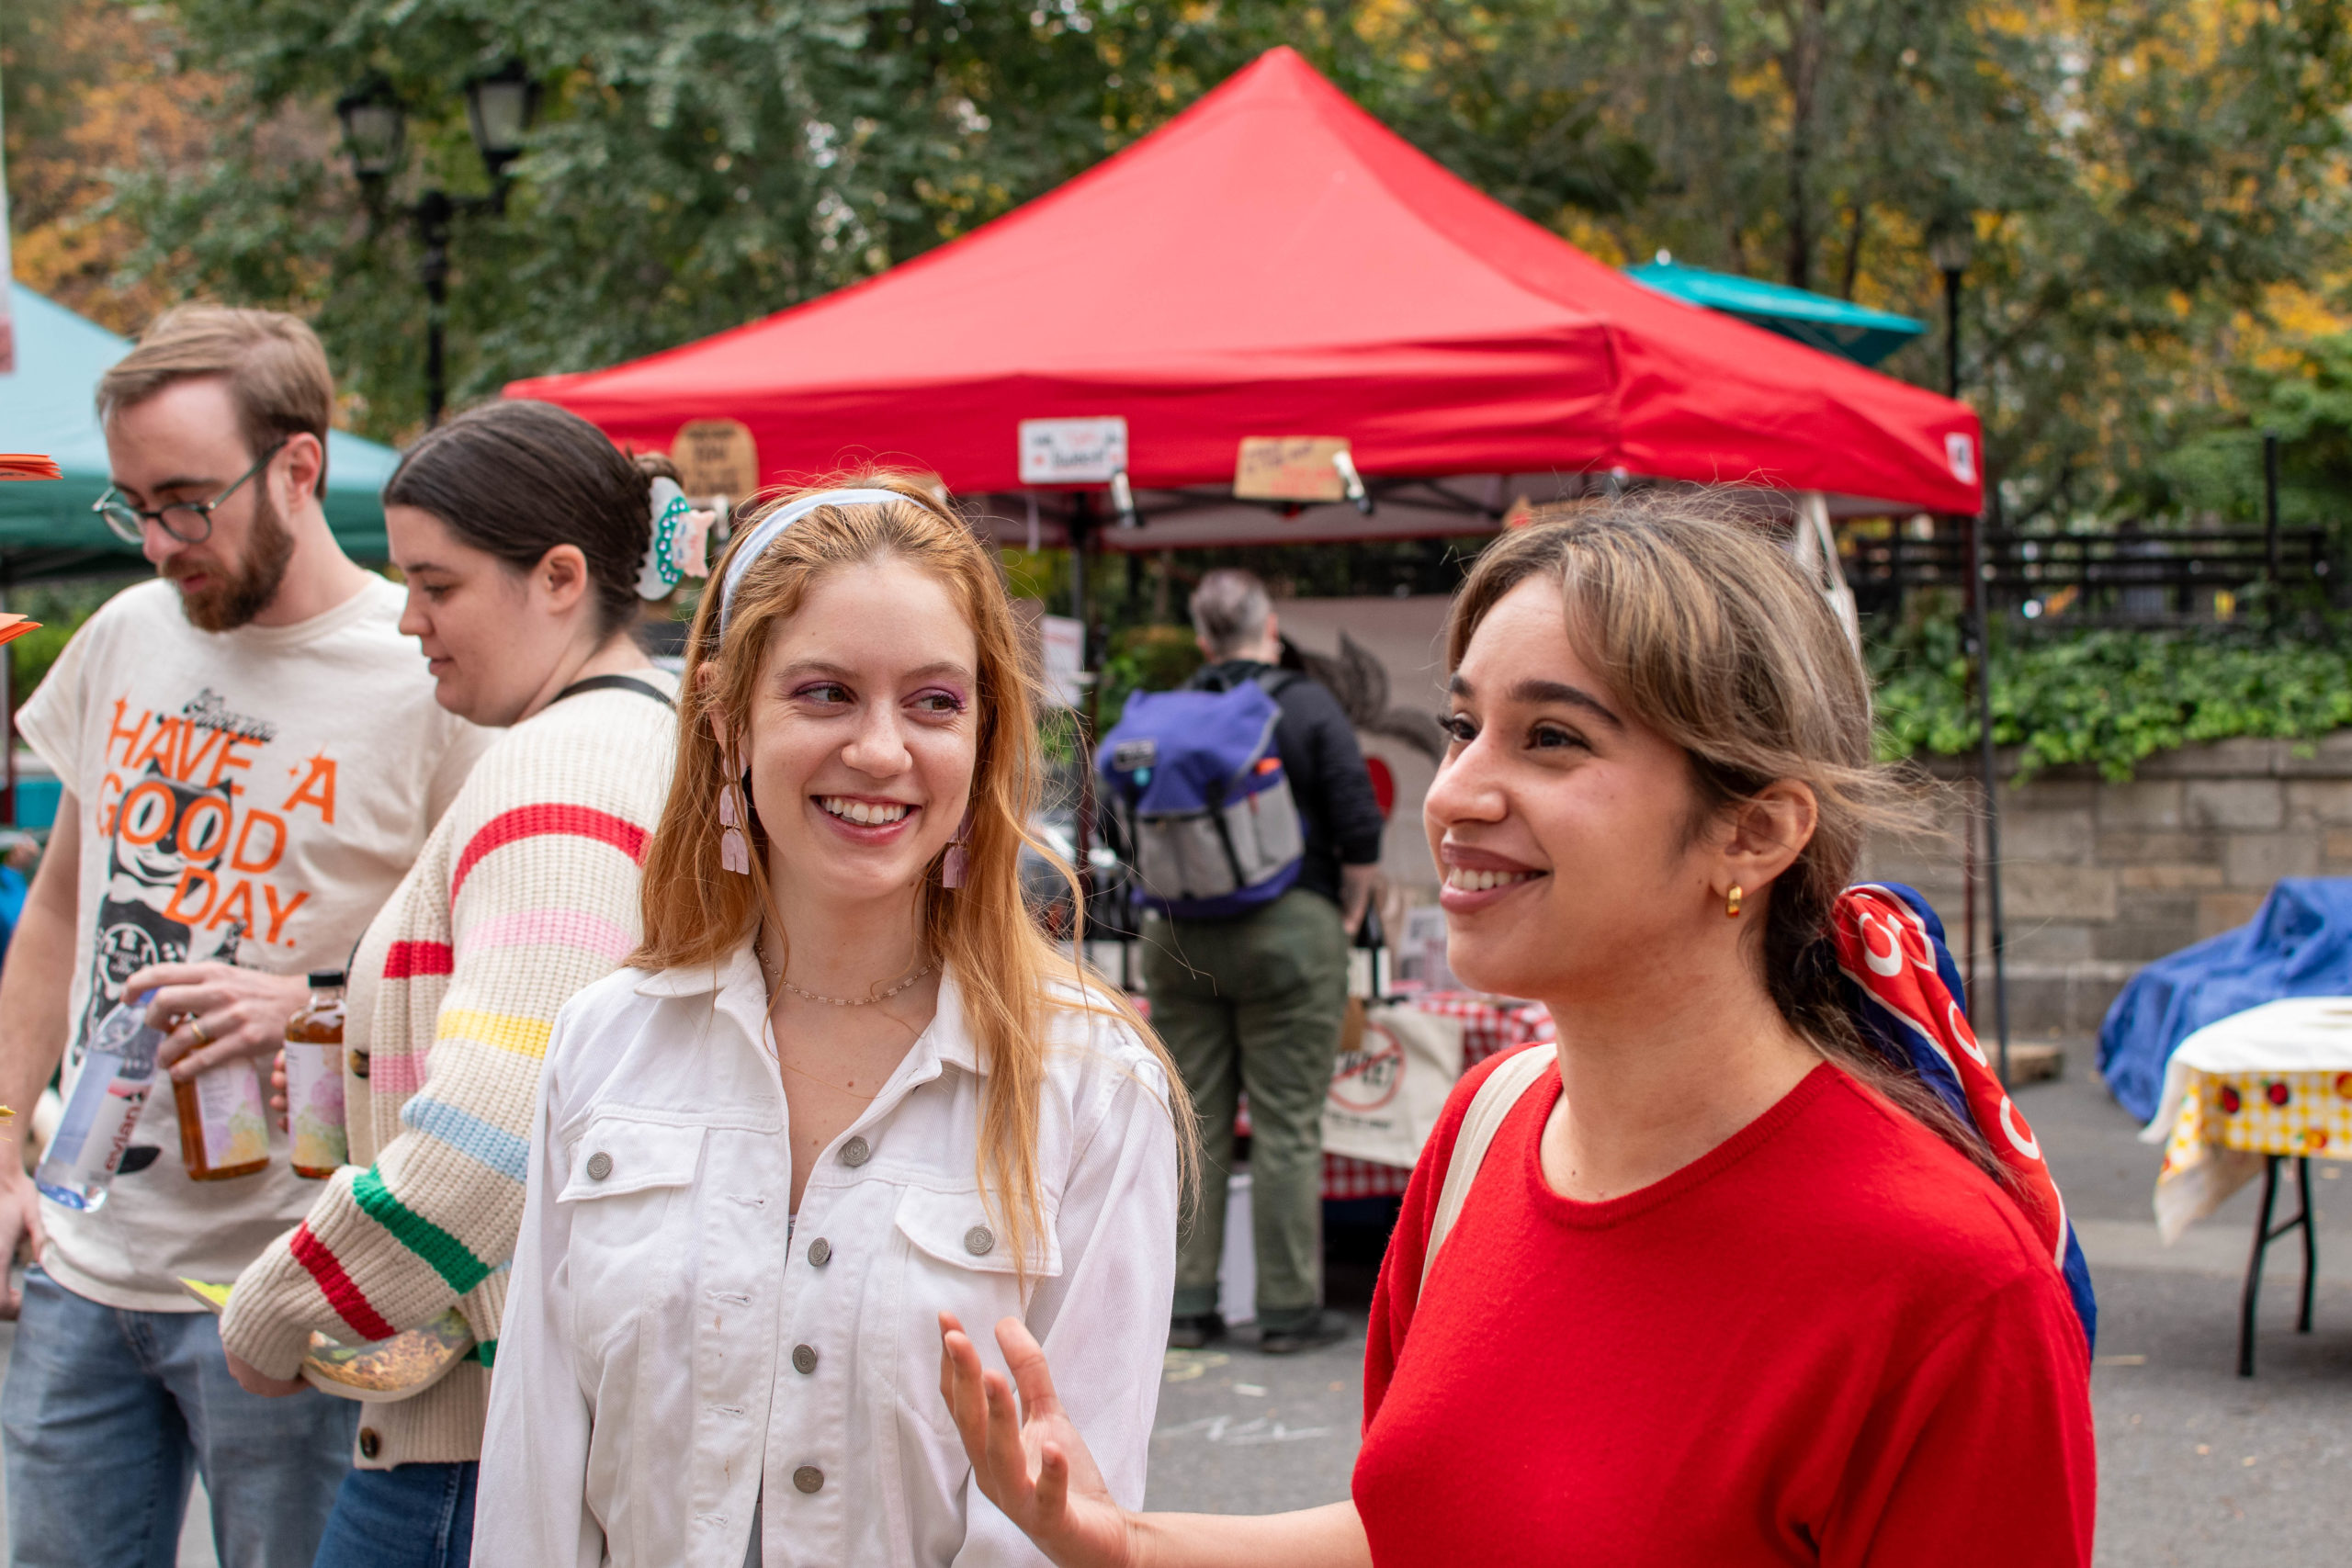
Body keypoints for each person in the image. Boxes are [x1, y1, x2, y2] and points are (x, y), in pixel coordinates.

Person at [940, 499, 2098, 1566]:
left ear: (1752, 832)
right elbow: (1422, 1534)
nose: (1453, 793)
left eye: (1551, 738)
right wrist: (1126, 1544)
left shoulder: (1950, 1291)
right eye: (1461, 725)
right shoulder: (1486, 1126)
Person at [476, 479, 1193, 1566]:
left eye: (934, 703)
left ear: (985, 734)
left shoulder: (1088, 1085)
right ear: (726, 719)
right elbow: (537, 1472)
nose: (879, 750)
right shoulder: (606, 1041)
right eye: (824, 693)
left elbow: (1067, 1521)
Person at [0, 305, 490, 1567]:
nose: (159, 542)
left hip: (293, 1275)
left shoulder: (425, 675)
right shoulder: (124, 635)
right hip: (82, 1255)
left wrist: (308, 1003)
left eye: (183, 500)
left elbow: (492, 985)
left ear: (298, 466)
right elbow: (59, 905)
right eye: (132, 506)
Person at [209, 400, 687, 1568]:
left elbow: (497, 1133)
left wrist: (273, 1316)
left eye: (438, 584)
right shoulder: (648, 734)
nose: (410, 621)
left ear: (561, 576)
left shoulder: (559, 767)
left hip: (473, 1453)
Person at [1145, 569, 1383, 1354]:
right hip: (1292, 931)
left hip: (1179, 936)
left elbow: (1116, 822)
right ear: (1271, 626)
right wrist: (1347, 910)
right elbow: (1357, 817)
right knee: (1286, 1125)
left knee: (1195, 1122)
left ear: (1205, 639)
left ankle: (1187, 1303)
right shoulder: (1307, 703)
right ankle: (1285, 1310)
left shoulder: (1172, 712)